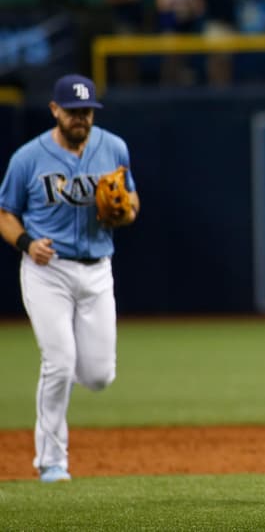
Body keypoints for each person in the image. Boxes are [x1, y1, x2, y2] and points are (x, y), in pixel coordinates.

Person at [0, 75, 139, 482]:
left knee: (98, 376)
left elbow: (131, 200)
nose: (81, 119)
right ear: (54, 110)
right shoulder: (28, 157)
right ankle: (51, 461)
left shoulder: (113, 147)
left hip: (98, 269)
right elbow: (5, 213)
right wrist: (26, 242)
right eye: (73, 111)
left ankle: (68, 368)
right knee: (59, 364)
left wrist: (125, 212)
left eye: (87, 112)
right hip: (49, 270)